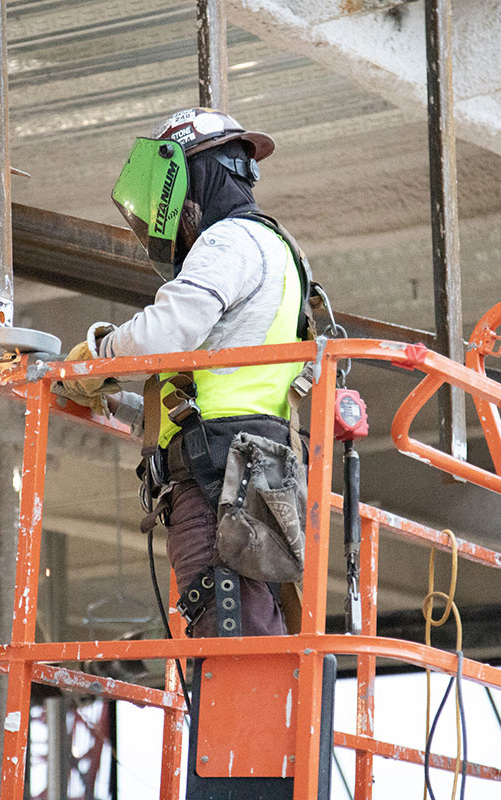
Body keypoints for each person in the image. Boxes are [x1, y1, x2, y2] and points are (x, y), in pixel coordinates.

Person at [58, 108, 314, 638]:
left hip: (216, 477)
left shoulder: (229, 242)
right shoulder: (277, 250)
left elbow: (162, 332)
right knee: (249, 623)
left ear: (187, 179)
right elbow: (208, 387)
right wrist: (124, 405)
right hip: (249, 463)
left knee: (227, 636)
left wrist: (96, 355)